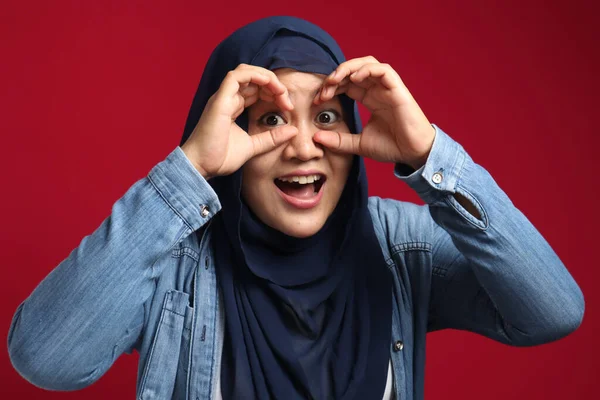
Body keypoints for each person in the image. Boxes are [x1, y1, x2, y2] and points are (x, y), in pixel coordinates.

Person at [7, 15, 584, 400]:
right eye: (272, 119)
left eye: (327, 117)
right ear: (230, 133)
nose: (305, 146)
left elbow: (552, 311)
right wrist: (189, 171)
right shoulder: (173, 261)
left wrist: (428, 153)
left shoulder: (400, 246)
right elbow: (46, 357)